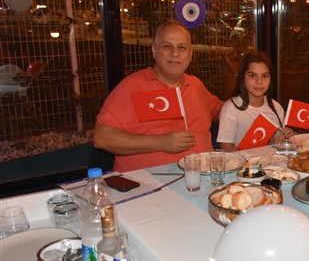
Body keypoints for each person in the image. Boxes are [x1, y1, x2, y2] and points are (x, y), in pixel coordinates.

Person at [93, 20, 223, 172]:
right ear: (154, 50)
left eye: (182, 47)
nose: (175, 53)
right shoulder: (133, 87)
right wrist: (160, 143)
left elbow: (225, 110)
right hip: (147, 184)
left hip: (204, 179)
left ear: (190, 54)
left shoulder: (196, 86)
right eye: (167, 46)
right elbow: (101, 138)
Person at [217, 51, 294, 152]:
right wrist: (268, 146)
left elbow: (280, 145)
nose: (259, 81)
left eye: (265, 76)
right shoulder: (231, 109)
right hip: (243, 162)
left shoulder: (276, 107)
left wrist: (287, 136)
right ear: (242, 77)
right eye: (252, 76)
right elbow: (226, 151)